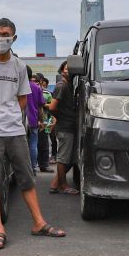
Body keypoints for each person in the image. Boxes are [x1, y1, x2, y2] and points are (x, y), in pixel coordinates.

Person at [0, 18, 65, 250]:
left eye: (5, 34)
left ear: (14, 38)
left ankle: (39, 223)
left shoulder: (19, 66)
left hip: (15, 130)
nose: (1, 38)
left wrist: (7, 114)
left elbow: (22, 99)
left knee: (26, 178)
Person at [48, 61, 79, 195]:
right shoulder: (62, 85)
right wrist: (60, 118)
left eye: (70, 69)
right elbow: (52, 107)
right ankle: (63, 185)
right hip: (65, 127)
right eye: (66, 68)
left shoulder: (70, 85)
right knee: (63, 158)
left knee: (71, 158)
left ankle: (55, 184)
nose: (68, 71)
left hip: (69, 126)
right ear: (62, 70)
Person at [26, 67, 45, 173]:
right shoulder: (36, 87)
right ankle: (33, 167)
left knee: (22, 145)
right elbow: (40, 106)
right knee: (33, 144)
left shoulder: (18, 86)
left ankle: (24, 168)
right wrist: (41, 121)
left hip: (20, 121)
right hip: (33, 119)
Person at [36, 75, 54, 173]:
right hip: (33, 121)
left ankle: (44, 164)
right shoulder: (29, 91)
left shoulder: (47, 93)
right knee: (34, 144)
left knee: (44, 144)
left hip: (45, 121)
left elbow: (52, 108)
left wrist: (50, 122)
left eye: (37, 81)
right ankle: (34, 164)